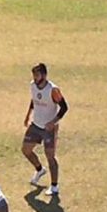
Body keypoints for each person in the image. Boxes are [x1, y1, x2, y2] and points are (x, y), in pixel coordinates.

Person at [23, 63, 68, 196]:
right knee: (26, 150)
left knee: (50, 156)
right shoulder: (33, 85)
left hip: (49, 128)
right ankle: (39, 169)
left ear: (44, 75)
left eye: (37, 75)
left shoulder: (53, 90)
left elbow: (64, 107)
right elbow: (34, 99)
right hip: (36, 125)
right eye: (34, 75)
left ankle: (54, 186)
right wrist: (27, 116)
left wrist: (53, 122)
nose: (35, 78)